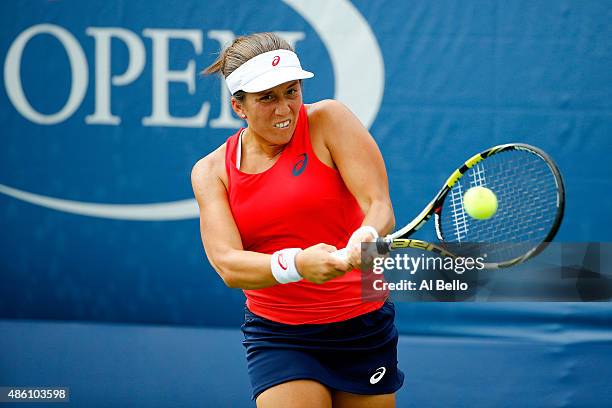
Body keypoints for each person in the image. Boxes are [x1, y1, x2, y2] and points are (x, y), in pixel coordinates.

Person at [191, 32, 404, 408]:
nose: (284, 109)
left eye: (291, 91)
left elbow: (379, 205)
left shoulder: (329, 119)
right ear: (238, 107)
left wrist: (365, 236)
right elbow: (228, 265)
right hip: (280, 332)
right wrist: (298, 264)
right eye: (267, 98)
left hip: (363, 317)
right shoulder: (211, 172)